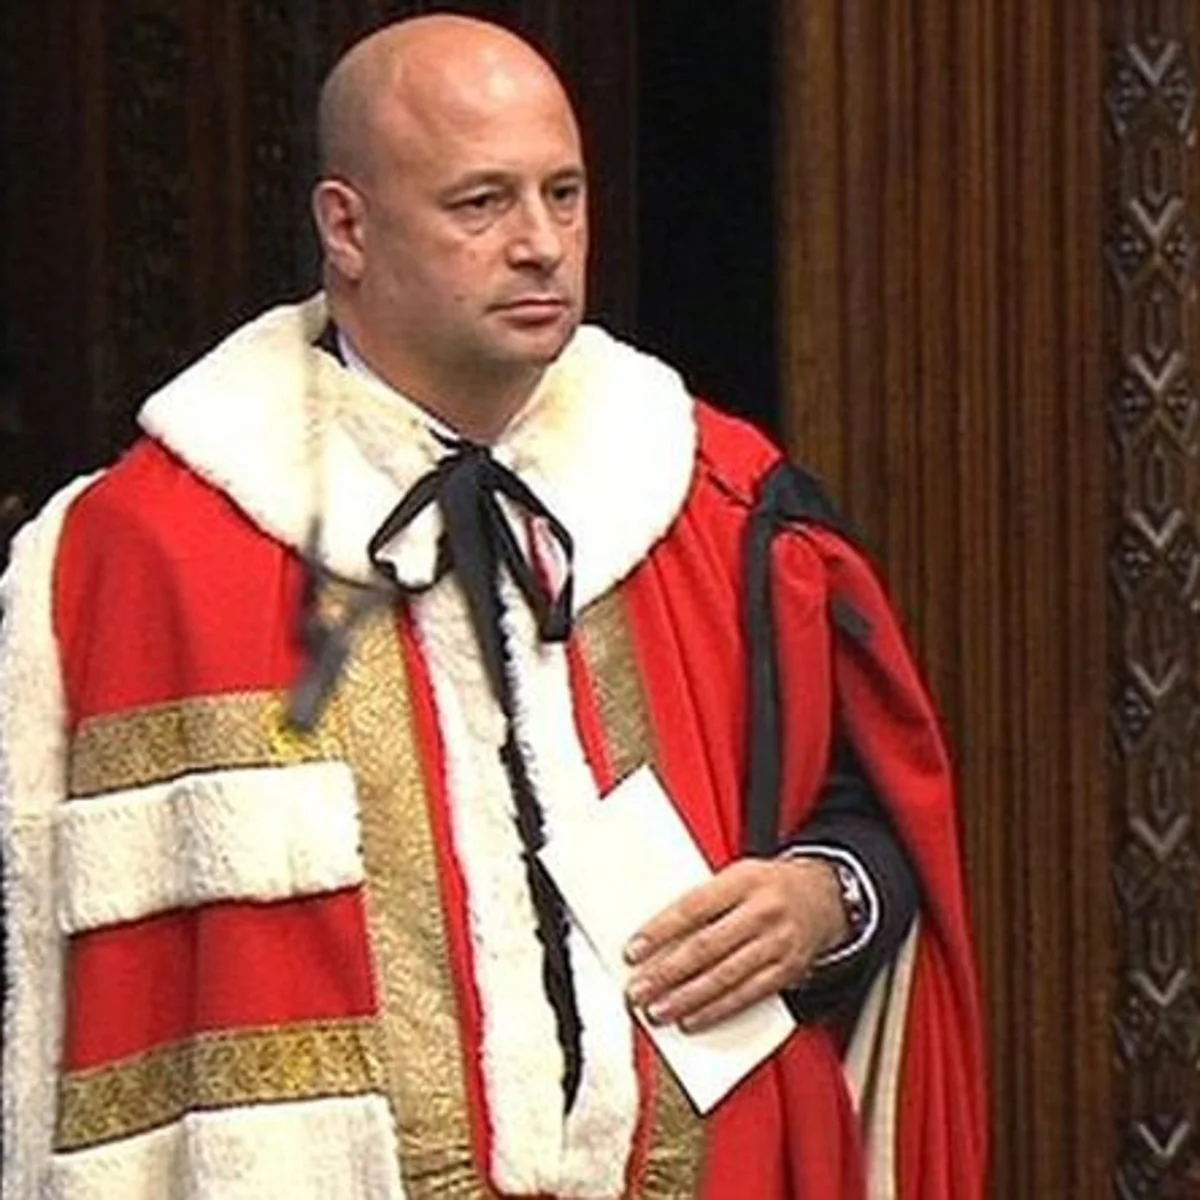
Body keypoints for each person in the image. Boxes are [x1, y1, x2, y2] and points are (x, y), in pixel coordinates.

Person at [0, 15, 984, 1199]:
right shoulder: (146, 551)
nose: (541, 246)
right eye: (481, 204)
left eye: (562, 194)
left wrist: (825, 897)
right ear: (345, 228)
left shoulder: (714, 503)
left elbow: (868, 813)